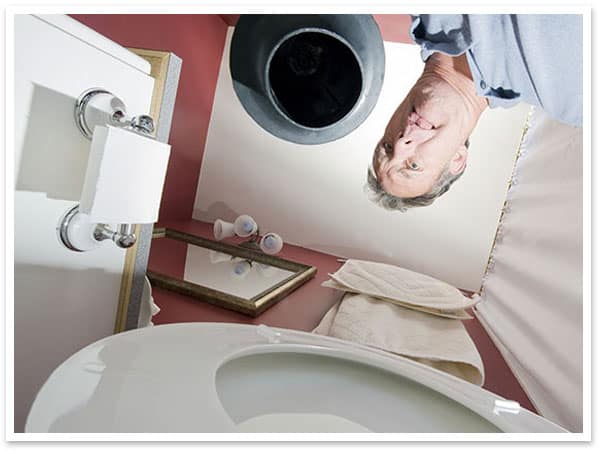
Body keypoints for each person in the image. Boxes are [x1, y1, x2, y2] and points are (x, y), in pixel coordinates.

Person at [367, 14, 583, 211]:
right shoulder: (574, 96)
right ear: (457, 159)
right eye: (413, 165)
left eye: (387, 146)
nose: (401, 143)